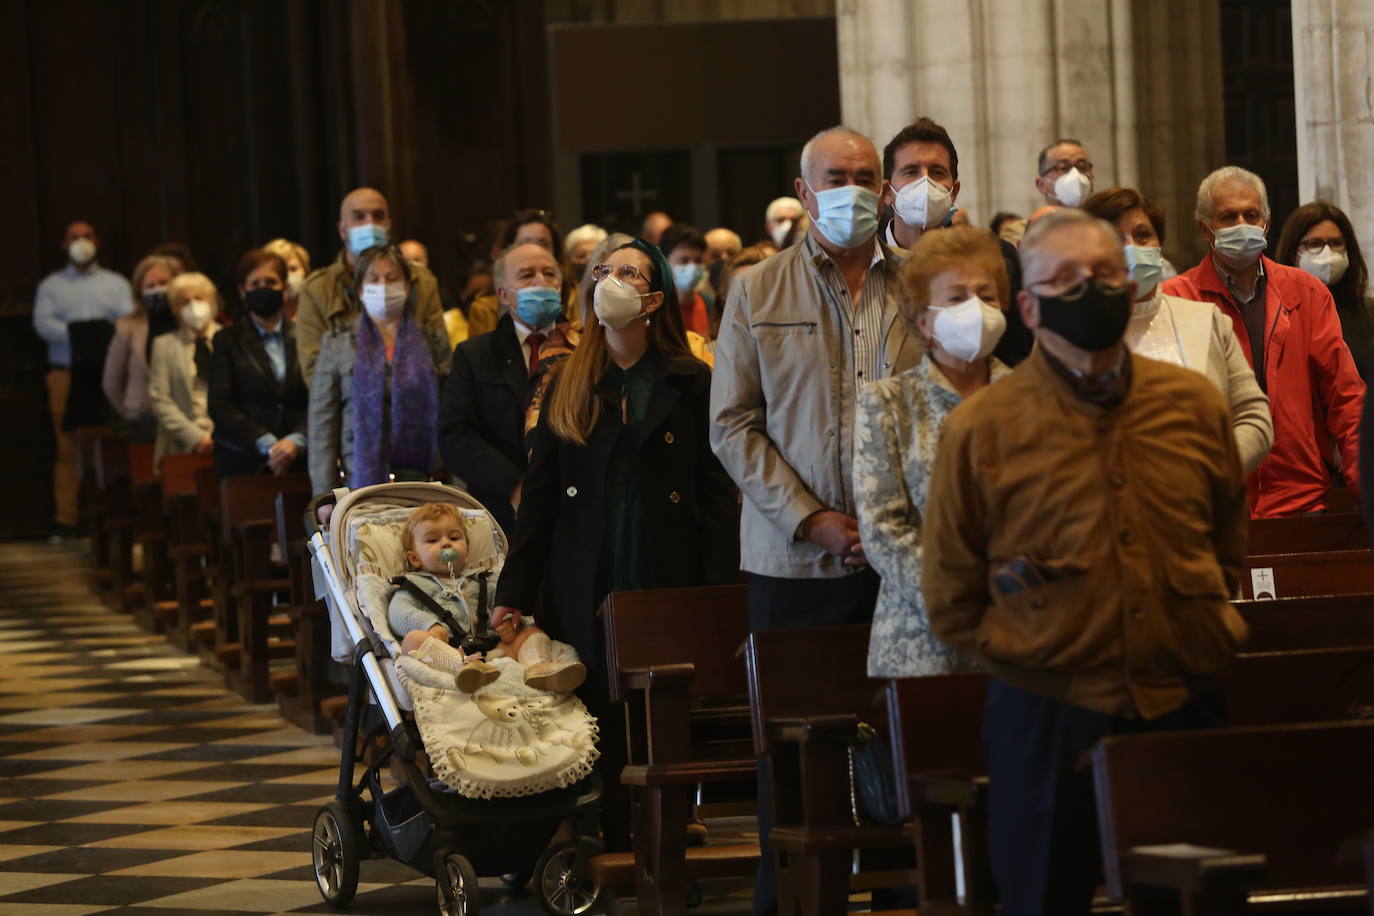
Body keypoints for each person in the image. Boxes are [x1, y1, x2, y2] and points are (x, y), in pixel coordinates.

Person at [923, 209, 1248, 916]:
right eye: (1065, 279)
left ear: (1129, 289)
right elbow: (951, 595)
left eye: (1103, 275)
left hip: (1179, 698)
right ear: (1030, 308)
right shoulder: (982, 426)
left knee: (1194, 902)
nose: (1090, 289)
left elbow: (1226, 552)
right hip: (1048, 711)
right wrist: (1043, 637)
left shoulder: (1192, 405)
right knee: (1044, 896)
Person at [710, 125, 923, 915]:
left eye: (869, 176)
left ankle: (906, 897)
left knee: (906, 747)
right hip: (794, 564)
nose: (856, 189)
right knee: (795, 765)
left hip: (902, 561)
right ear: (804, 192)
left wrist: (897, 520)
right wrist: (813, 520)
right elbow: (731, 425)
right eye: (838, 176)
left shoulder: (917, 285)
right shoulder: (757, 292)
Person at [492, 237, 738, 847]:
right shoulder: (567, 380)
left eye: (628, 272)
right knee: (597, 703)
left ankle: (665, 838)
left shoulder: (691, 380)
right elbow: (541, 498)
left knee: (661, 707)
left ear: (654, 298)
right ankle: (609, 831)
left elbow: (714, 496)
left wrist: (718, 590)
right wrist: (513, 590)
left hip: (664, 564)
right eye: (603, 269)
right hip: (587, 567)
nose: (611, 279)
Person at [856, 227, 1013, 678]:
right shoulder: (886, 403)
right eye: (957, 297)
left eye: (986, 296)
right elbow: (884, 529)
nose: (976, 310)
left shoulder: (1032, 397)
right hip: (921, 640)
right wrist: (961, 592)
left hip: (1022, 630)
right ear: (923, 319)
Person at [1163, 166, 1364, 516]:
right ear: (1204, 228)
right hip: (1215, 504)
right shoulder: (1177, 299)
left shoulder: (1307, 292)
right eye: (1228, 216)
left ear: (1267, 224)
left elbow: (1345, 396)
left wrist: (1364, 485)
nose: (1242, 223)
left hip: (1300, 498)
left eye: (1251, 214)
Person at [1082, 187, 1272, 474]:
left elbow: (1253, 416)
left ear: (1159, 245)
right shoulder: (1069, 335)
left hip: (1204, 499)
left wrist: (1213, 469)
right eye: (1114, 239)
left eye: (1143, 235)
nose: (1132, 247)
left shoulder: (1207, 320)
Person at [438, 242, 570, 538]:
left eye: (549, 274)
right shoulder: (475, 355)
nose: (541, 281)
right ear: (503, 294)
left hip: (573, 504)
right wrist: (514, 485)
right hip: (499, 513)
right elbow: (455, 435)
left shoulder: (586, 348)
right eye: (526, 276)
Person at [388, 502, 585, 694]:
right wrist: (430, 625)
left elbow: (504, 605)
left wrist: (508, 625)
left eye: (455, 537)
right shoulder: (412, 585)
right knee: (413, 641)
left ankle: (539, 669)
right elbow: (397, 613)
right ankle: (464, 669)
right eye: (432, 540)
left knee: (530, 632)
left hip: (493, 651)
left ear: (466, 552)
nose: (446, 543)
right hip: (449, 652)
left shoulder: (484, 580)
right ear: (414, 558)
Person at [882, 118, 1031, 366]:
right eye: (911, 172)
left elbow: (1015, 357)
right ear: (888, 192)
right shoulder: (868, 260)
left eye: (937, 172)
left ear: (954, 191)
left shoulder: (994, 257)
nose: (925, 182)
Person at [308, 245, 451, 494]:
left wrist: (458, 486)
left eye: (392, 278)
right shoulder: (337, 343)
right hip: (359, 483)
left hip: (427, 481)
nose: (383, 287)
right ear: (361, 289)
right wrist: (324, 495)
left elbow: (453, 416)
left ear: (407, 286)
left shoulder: (433, 342)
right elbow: (323, 425)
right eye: (374, 279)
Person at [33, 220, 133, 537]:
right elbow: (44, 325)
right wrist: (88, 337)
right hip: (66, 373)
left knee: (111, 442)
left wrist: (97, 336)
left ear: (97, 241)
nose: (81, 241)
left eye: (87, 236)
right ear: (64, 244)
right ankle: (67, 519)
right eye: (74, 237)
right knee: (66, 448)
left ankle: (112, 516)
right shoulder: (52, 285)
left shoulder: (115, 283)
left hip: (109, 374)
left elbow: (126, 320)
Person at [296, 187, 445, 384]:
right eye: (359, 217)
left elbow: (440, 353)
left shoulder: (421, 281)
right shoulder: (317, 289)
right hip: (350, 405)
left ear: (388, 227)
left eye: (378, 216)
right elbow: (314, 372)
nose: (370, 224)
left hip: (415, 395)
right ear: (342, 230)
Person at [207, 249, 308, 478]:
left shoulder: (306, 336)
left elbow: (320, 397)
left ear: (284, 288)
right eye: (255, 284)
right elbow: (219, 405)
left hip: (300, 458)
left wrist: (295, 441)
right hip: (244, 460)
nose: (263, 288)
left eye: (271, 282)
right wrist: (270, 444)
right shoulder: (227, 339)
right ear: (242, 291)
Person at [1275, 201, 1374, 379]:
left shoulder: (1367, 311)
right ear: (1292, 254)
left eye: (1337, 243)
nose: (1328, 252)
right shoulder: (1277, 313)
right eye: (1314, 243)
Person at [147, 272, 222, 470]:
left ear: (212, 302)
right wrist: (196, 437)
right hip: (183, 445)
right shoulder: (164, 345)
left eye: (198, 298)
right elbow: (159, 399)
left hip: (228, 442)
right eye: (184, 301)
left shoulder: (230, 338)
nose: (193, 306)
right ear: (175, 309)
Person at [103, 254, 180, 441]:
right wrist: (130, 413)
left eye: (163, 282)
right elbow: (111, 382)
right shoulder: (128, 326)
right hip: (145, 419)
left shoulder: (185, 322)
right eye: (150, 286)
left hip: (185, 418)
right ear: (140, 292)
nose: (158, 290)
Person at [469, 209, 568, 337]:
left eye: (543, 244)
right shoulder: (485, 310)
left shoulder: (577, 298)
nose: (534, 250)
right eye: (525, 243)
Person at [657, 222, 712, 337]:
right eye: (684, 261)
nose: (692, 267)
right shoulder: (656, 310)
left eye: (698, 261)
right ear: (664, 263)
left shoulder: (710, 305)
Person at [1034, 138, 1094, 207]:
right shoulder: (1035, 218)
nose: (1076, 174)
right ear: (1041, 185)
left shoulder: (1106, 217)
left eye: (1082, 167)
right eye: (1064, 167)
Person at [262, 237, 311, 318]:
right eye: (280, 271)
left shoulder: (317, 312)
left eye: (293, 269)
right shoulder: (261, 320)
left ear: (305, 271)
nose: (287, 276)